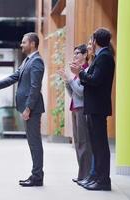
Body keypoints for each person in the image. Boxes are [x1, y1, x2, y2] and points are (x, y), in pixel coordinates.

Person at [0, 32, 45, 187]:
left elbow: (35, 87)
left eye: (24, 42)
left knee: (35, 142)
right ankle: (36, 174)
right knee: (32, 142)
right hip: (27, 108)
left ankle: (37, 177)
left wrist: (28, 108)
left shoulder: (37, 61)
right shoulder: (28, 61)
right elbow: (14, 77)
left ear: (32, 44)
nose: (21, 45)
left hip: (31, 109)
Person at [70, 28, 115, 191]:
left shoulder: (104, 57)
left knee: (100, 145)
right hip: (94, 107)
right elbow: (93, 80)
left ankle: (103, 180)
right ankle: (96, 177)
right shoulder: (101, 56)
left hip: (98, 107)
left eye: (91, 40)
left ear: (95, 41)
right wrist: (81, 74)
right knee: (96, 145)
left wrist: (80, 73)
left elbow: (95, 80)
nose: (91, 43)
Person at [58, 44, 93, 183]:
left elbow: (81, 92)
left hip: (83, 109)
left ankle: (86, 175)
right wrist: (67, 81)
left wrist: (71, 79)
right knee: (78, 143)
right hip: (75, 108)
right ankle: (82, 175)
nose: (75, 56)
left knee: (84, 143)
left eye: (77, 53)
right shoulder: (78, 73)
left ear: (85, 55)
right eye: (74, 54)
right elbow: (72, 93)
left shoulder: (87, 71)